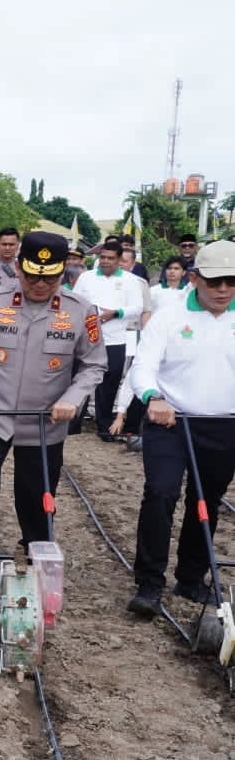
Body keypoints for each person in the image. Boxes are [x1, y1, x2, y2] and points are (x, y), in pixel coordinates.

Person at [0, 233, 106, 603]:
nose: (41, 284)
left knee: (36, 498)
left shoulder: (82, 311)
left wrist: (73, 399)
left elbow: (94, 365)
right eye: (32, 275)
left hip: (45, 423)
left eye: (50, 277)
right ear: (18, 268)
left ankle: (35, 563)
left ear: (65, 272)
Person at [125, 240, 235, 616]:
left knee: (205, 500)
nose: (223, 290)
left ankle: (191, 577)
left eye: (231, 282)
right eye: (214, 281)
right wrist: (153, 397)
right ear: (195, 278)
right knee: (160, 493)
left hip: (223, 425)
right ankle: (149, 581)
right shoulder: (170, 316)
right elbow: (143, 366)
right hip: (170, 420)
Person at [71, 239, 140, 440]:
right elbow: (75, 302)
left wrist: (115, 313)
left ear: (119, 260)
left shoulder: (130, 280)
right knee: (79, 377)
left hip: (115, 339)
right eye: (102, 257)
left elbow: (136, 308)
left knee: (109, 383)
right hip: (87, 337)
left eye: (110, 258)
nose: (105, 261)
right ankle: (73, 423)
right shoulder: (87, 278)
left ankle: (103, 425)